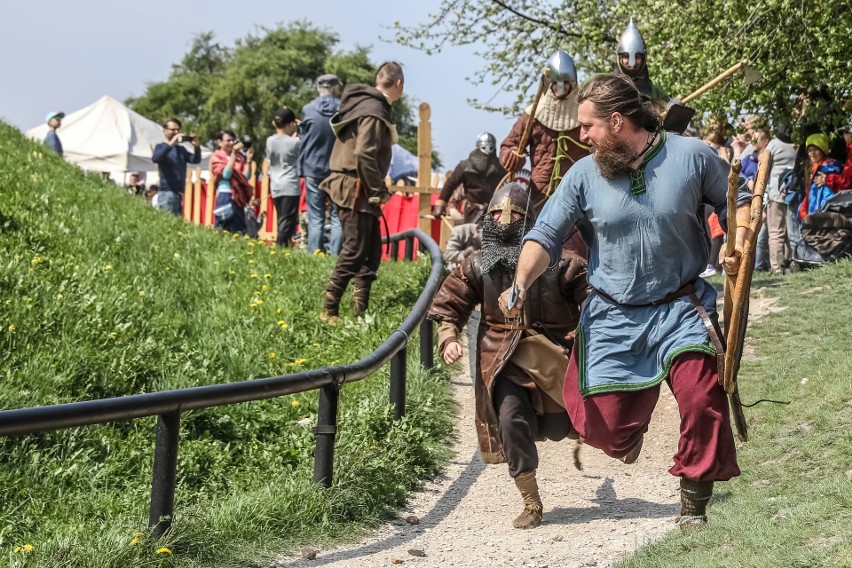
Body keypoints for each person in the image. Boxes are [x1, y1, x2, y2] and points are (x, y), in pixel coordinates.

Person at [500, 74, 752, 527]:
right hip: (612, 312)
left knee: (701, 398)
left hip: (681, 307)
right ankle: (625, 438)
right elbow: (545, 235)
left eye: (588, 126)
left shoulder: (691, 156)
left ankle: (693, 503)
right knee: (600, 425)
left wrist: (741, 242)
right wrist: (520, 281)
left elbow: (740, 200)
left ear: (617, 121)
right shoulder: (583, 173)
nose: (581, 136)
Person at [428, 182, 589, 529]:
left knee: (568, 422)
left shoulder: (562, 263)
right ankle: (531, 502)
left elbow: (592, 295)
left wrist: (587, 327)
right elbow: (450, 303)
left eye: (515, 214)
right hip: (502, 361)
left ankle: (621, 435)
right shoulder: (476, 266)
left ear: (529, 220)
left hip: (556, 357)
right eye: (498, 214)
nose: (506, 221)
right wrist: (448, 336)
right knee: (511, 422)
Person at [320, 62, 404, 322]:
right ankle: (329, 308)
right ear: (399, 84)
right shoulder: (373, 109)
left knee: (371, 250)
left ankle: (360, 310)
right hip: (354, 188)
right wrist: (378, 188)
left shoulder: (366, 105)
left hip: (361, 188)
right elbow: (364, 153)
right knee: (355, 248)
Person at [500, 51, 589, 212]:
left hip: (578, 196)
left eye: (565, 83)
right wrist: (512, 157)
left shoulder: (585, 114)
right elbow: (509, 145)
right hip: (539, 196)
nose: (560, 88)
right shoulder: (533, 114)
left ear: (573, 82)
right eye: (556, 83)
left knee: (578, 236)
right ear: (549, 83)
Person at [299, 73, 343, 255]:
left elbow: (303, 137)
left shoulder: (308, 109)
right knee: (337, 217)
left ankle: (314, 256)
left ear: (318, 88)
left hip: (313, 168)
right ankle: (335, 258)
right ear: (335, 88)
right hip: (338, 169)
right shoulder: (344, 109)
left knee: (315, 216)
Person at [432, 132, 506, 224]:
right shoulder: (465, 167)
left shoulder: (501, 169)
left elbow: (508, 188)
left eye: (490, 147)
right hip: (473, 213)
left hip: (495, 213)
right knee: (470, 236)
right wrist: (440, 205)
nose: (487, 151)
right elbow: (450, 185)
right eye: (484, 147)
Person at [266, 107, 302, 247]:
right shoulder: (294, 143)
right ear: (291, 123)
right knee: (288, 223)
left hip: (276, 185)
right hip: (290, 186)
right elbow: (299, 146)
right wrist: (300, 129)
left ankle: (284, 247)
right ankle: (281, 250)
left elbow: (286, 143)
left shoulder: (270, 141)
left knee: (282, 220)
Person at [764, 124, 798, 273]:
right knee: (792, 230)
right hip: (793, 194)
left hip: (776, 194)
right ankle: (792, 262)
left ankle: (777, 267)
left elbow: (764, 167)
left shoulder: (773, 145)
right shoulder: (797, 144)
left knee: (776, 232)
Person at [151, 118, 201, 216]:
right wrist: (171, 144)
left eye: (178, 130)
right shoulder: (161, 146)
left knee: (176, 224)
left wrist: (196, 147)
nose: (176, 132)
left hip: (179, 192)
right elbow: (156, 158)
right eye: (173, 130)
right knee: (168, 223)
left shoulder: (181, 149)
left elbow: (195, 160)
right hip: (166, 192)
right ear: (164, 130)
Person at [615, 18, 669, 103]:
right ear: (619, 58)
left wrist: (672, 106)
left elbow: (669, 108)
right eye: (626, 56)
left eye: (637, 57)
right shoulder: (607, 90)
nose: (631, 63)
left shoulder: (656, 93)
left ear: (643, 59)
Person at [210, 130, 254, 234]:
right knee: (224, 227)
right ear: (219, 142)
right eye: (228, 140)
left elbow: (245, 177)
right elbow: (226, 175)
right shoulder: (217, 156)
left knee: (239, 229)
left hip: (238, 197)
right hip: (226, 195)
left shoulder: (239, 158)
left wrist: (249, 161)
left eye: (232, 140)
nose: (231, 143)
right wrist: (234, 155)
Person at [798, 133, 843, 219]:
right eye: (809, 150)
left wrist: (820, 214)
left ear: (823, 150)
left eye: (815, 149)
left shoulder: (828, 168)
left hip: (822, 217)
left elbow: (828, 196)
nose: (812, 153)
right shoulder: (815, 168)